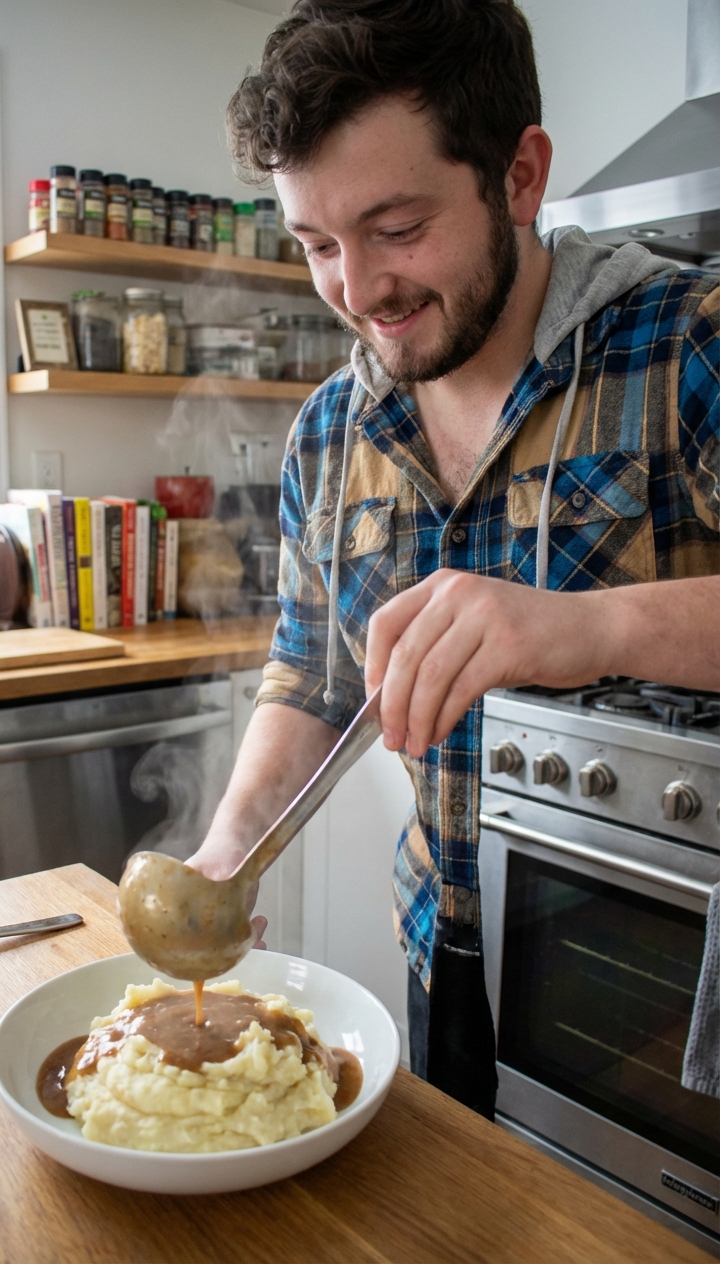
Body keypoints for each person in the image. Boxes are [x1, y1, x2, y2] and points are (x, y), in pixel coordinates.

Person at [188, 0, 720, 1119]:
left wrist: (591, 627)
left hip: (672, 976)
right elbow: (310, 669)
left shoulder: (687, 343)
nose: (358, 289)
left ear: (518, 177)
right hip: (446, 953)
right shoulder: (330, 433)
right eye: (317, 245)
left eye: (395, 228)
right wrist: (230, 848)